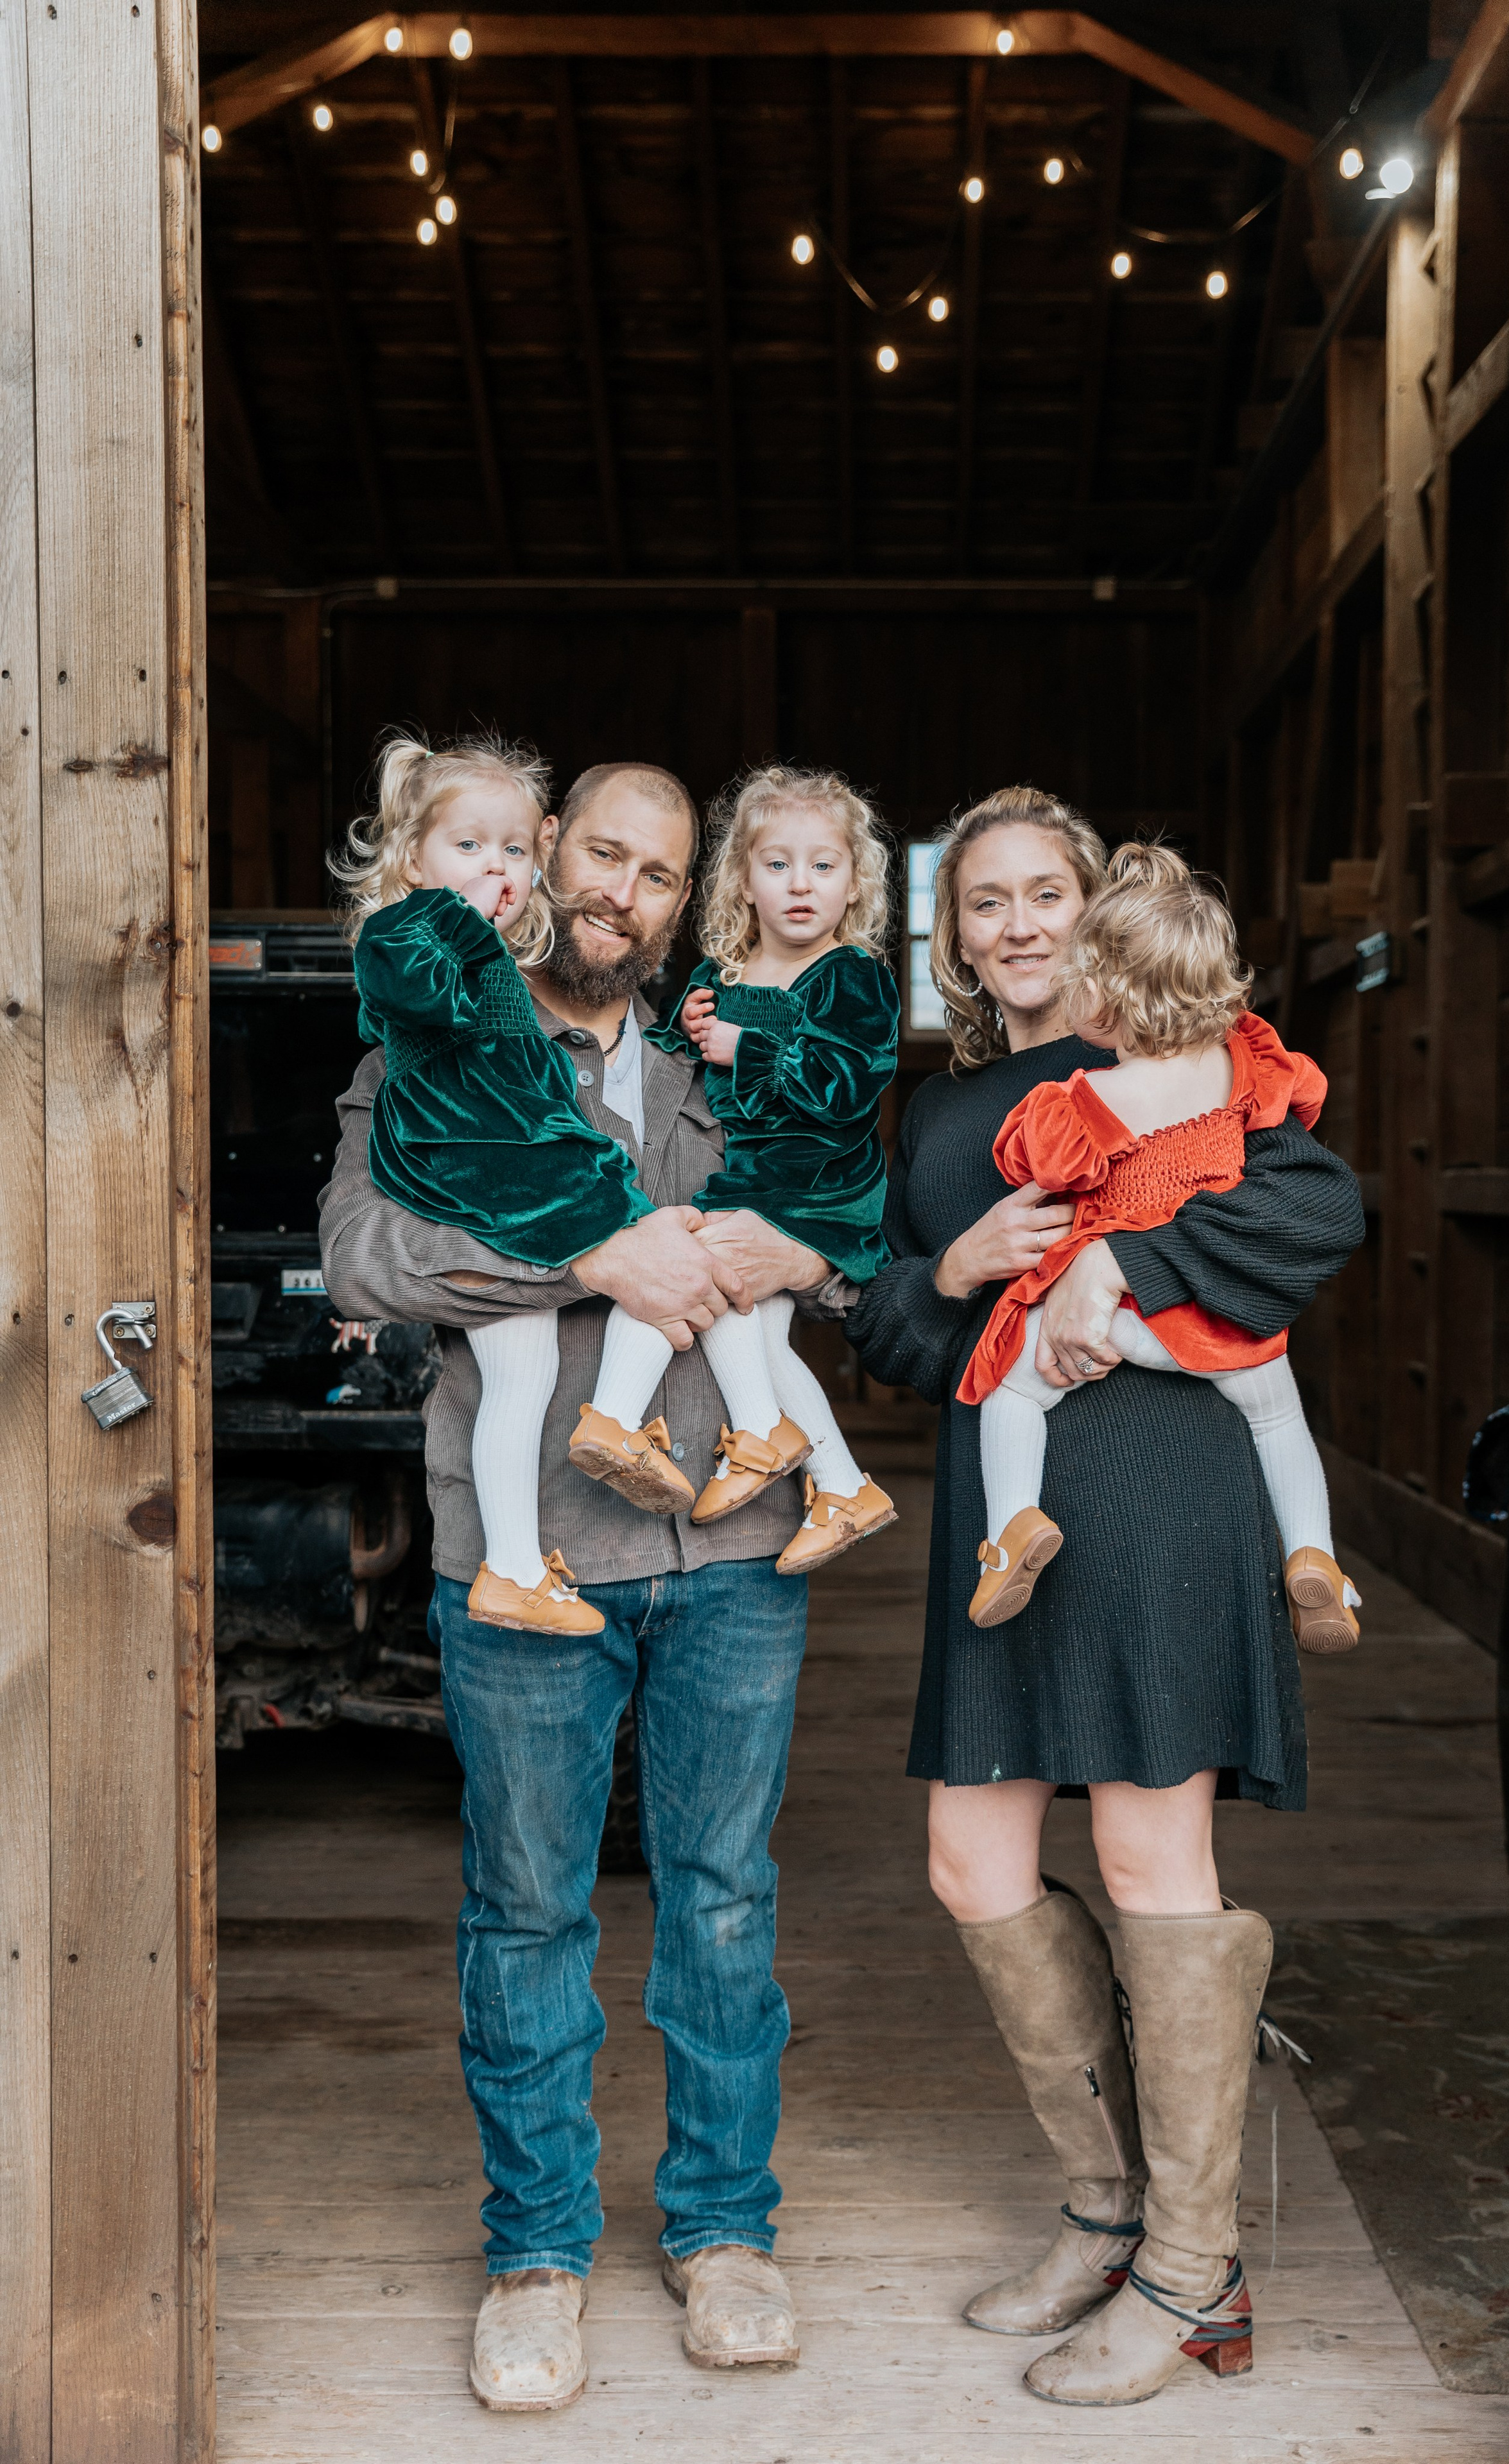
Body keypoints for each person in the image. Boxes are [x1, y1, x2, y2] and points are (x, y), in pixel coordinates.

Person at [318, 756, 845, 2413]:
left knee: (724, 1897)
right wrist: (585, 1252)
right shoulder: (435, 1033)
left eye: (661, 875)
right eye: (602, 856)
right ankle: (538, 2254)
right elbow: (363, 1255)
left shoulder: (729, 1057)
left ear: (692, 900)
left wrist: (810, 1248)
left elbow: (831, 1224)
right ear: (551, 854)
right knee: (530, 1906)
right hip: (526, 1554)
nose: (624, 894)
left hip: (738, 1550)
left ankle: (722, 2232)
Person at [843, 786, 1364, 2408]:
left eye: (1042, 889)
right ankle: (1105, 2208)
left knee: (1148, 1848)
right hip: (1005, 1518)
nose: (1014, 921)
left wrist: (1108, 1268)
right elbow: (884, 1326)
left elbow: (1314, 1207)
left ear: (1094, 907)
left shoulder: (1191, 1047)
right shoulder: (939, 1119)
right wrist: (955, 1267)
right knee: (968, 1856)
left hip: (1159, 1481)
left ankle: (1194, 2278)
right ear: (953, 934)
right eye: (981, 899)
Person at [958, 841, 1360, 1655]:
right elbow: (1300, 1114)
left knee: (1013, 1395)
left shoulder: (1083, 1096)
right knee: (1281, 1421)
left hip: (1111, 1321)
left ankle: (1010, 1531)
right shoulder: (1237, 1076)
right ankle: (1314, 1555)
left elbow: (1024, 1162)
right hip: (1218, 1324)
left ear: (1102, 995)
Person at [334, 732, 654, 1636]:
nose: (496, 867)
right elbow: (422, 999)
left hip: (503, 1153)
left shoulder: (489, 952)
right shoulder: (408, 931)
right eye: (468, 846)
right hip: (469, 1161)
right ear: (411, 857)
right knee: (631, 1239)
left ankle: (520, 1556)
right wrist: (470, 918)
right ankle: (574, 1483)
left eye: (514, 851)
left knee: (531, 1369)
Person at [639, 764, 900, 1571]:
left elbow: (845, 1087)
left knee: (729, 1311)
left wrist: (749, 1048)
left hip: (821, 1185)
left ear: (854, 884)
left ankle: (766, 1444)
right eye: (777, 864)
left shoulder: (853, 976)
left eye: (824, 865)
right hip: (755, 1181)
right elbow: (677, 1071)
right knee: (754, 1336)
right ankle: (842, 1484)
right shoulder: (724, 975)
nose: (800, 884)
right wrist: (685, 1028)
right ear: (742, 881)